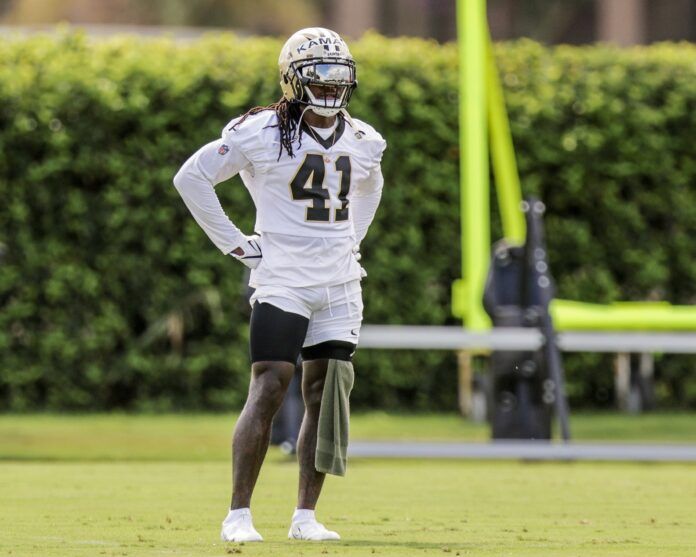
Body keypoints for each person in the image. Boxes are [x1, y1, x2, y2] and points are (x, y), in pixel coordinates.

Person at [173, 27, 386, 542]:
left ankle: (305, 517)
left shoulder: (364, 139)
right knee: (269, 384)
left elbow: (371, 186)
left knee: (326, 393)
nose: (331, 84)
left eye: (339, 74)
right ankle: (238, 514)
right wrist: (237, 244)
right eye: (320, 73)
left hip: (339, 283)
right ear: (294, 77)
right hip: (283, 278)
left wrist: (352, 238)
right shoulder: (260, 131)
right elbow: (191, 178)